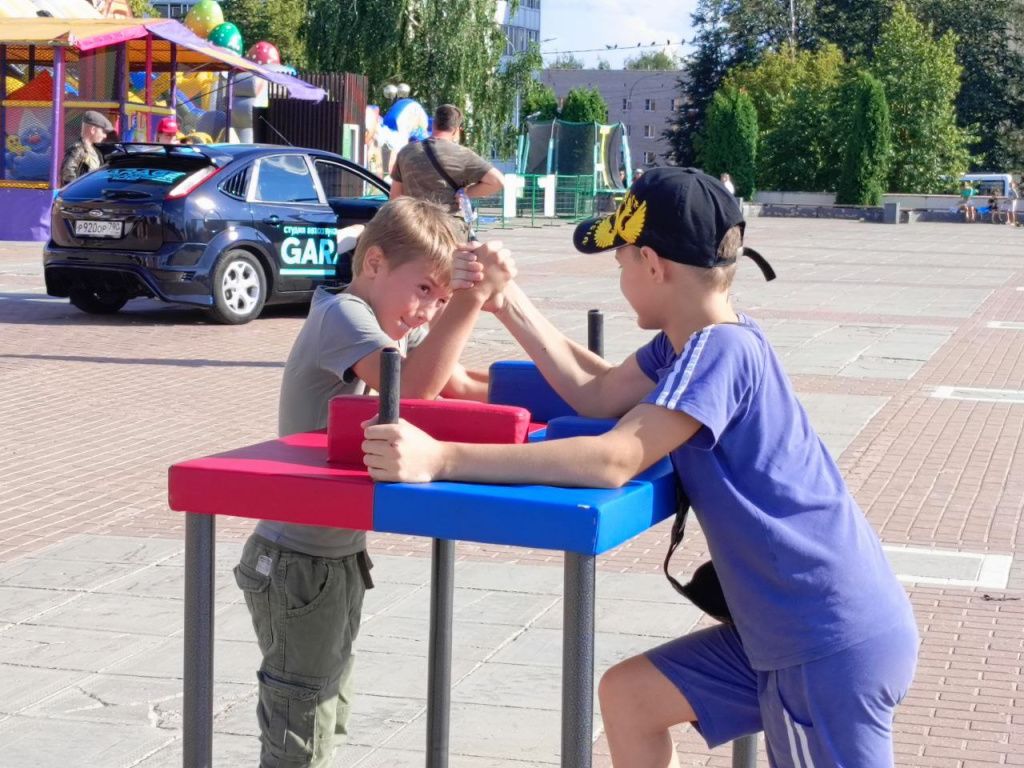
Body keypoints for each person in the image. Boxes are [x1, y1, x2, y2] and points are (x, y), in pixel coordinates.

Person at [363, 167, 918, 768]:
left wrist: (440, 457)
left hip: (823, 643)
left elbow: (613, 458)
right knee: (630, 698)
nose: (619, 273)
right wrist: (507, 301)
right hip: (787, 632)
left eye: (621, 260)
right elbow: (596, 393)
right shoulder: (692, 342)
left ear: (654, 265)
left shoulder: (719, 350)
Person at [234, 196, 514, 768]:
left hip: (334, 559)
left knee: (325, 719)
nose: (430, 311)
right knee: (298, 732)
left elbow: (458, 383)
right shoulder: (344, 316)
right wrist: (467, 302)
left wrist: (566, 390)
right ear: (376, 264)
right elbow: (409, 392)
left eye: (440, 297)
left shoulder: (388, 328)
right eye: (425, 290)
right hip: (296, 562)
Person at [389, 104, 505, 217]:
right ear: (456, 131)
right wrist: (466, 193)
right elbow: (498, 181)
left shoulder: (406, 152)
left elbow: (395, 197)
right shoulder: (463, 154)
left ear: (433, 125)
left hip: (414, 228)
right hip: (448, 228)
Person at [60, 110, 112, 185]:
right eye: (103, 132)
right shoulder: (77, 150)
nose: (105, 136)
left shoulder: (96, 152)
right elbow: (67, 174)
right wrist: (79, 191)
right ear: (93, 130)